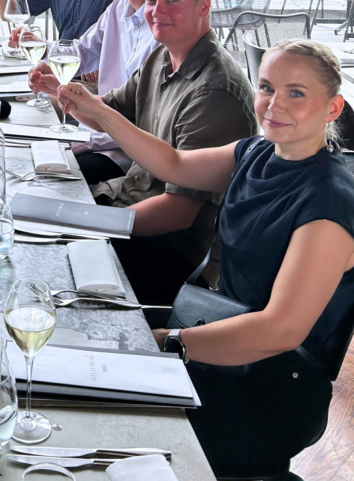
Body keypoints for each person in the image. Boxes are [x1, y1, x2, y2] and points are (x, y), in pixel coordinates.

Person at [59, 40, 354, 481]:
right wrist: (97, 111)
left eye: (296, 93)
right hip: (220, 338)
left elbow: (281, 329)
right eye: (267, 87)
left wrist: (169, 343)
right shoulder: (255, 153)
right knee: (74, 337)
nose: (274, 104)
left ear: (332, 109)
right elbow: (173, 161)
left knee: (100, 413)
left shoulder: (330, 200)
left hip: (274, 384)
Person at [64, 0, 257, 304]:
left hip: (168, 255)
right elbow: (109, 114)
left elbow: (178, 212)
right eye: (151, 0)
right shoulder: (162, 55)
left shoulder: (215, 91)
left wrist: (90, 224)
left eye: (172, 1)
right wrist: (59, 93)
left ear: (203, 7)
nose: (156, 11)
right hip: (125, 204)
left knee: (50, 263)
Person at [28, 0, 160, 183]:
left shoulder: (161, 27)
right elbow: (82, 50)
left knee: (48, 178)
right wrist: (44, 55)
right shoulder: (119, 4)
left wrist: (63, 91)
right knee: (29, 152)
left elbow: (141, 116)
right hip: (99, 130)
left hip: (129, 153)